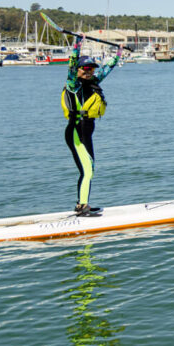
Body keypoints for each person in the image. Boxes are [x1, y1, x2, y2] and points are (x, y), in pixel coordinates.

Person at [62, 35, 121, 216]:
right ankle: (82, 207)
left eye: (91, 69)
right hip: (76, 131)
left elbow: (108, 68)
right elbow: (72, 64)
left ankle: (82, 203)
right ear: (78, 70)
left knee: (89, 169)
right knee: (87, 170)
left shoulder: (94, 82)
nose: (88, 71)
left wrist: (119, 52)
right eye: (85, 68)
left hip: (87, 132)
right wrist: (78, 43)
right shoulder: (73, 84)